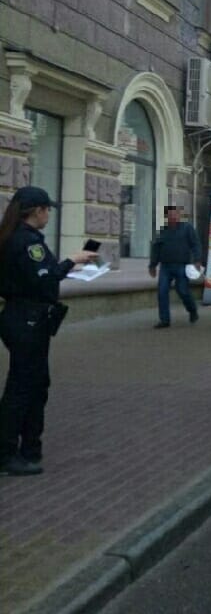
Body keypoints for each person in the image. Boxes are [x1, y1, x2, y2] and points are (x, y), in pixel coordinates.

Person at [0, 186, 97, 476]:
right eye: (47, 210)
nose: (49, 215)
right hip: (28, 320)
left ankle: (30, 447)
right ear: (37, 211)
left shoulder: (13, 237)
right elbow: (44, 278)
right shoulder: (28, 242)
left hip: (22, 318)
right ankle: (6, 453)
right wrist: (73, 261)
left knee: (35, 384)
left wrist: (65, 267)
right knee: (22, 387)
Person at [149, 205, 203, 329]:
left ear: (179, 216)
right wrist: (152, 265)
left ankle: (192, 310)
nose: (173, 217)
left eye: (175, 214)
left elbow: (195, 244)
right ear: (166, 217)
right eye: (170, 215)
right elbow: (156, 249)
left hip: (181, 265)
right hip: (165, 267)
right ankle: (164, 320)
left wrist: (197, 260)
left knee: (183, 290)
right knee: (162, 291)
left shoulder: (187, 228)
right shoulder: (163, 231)